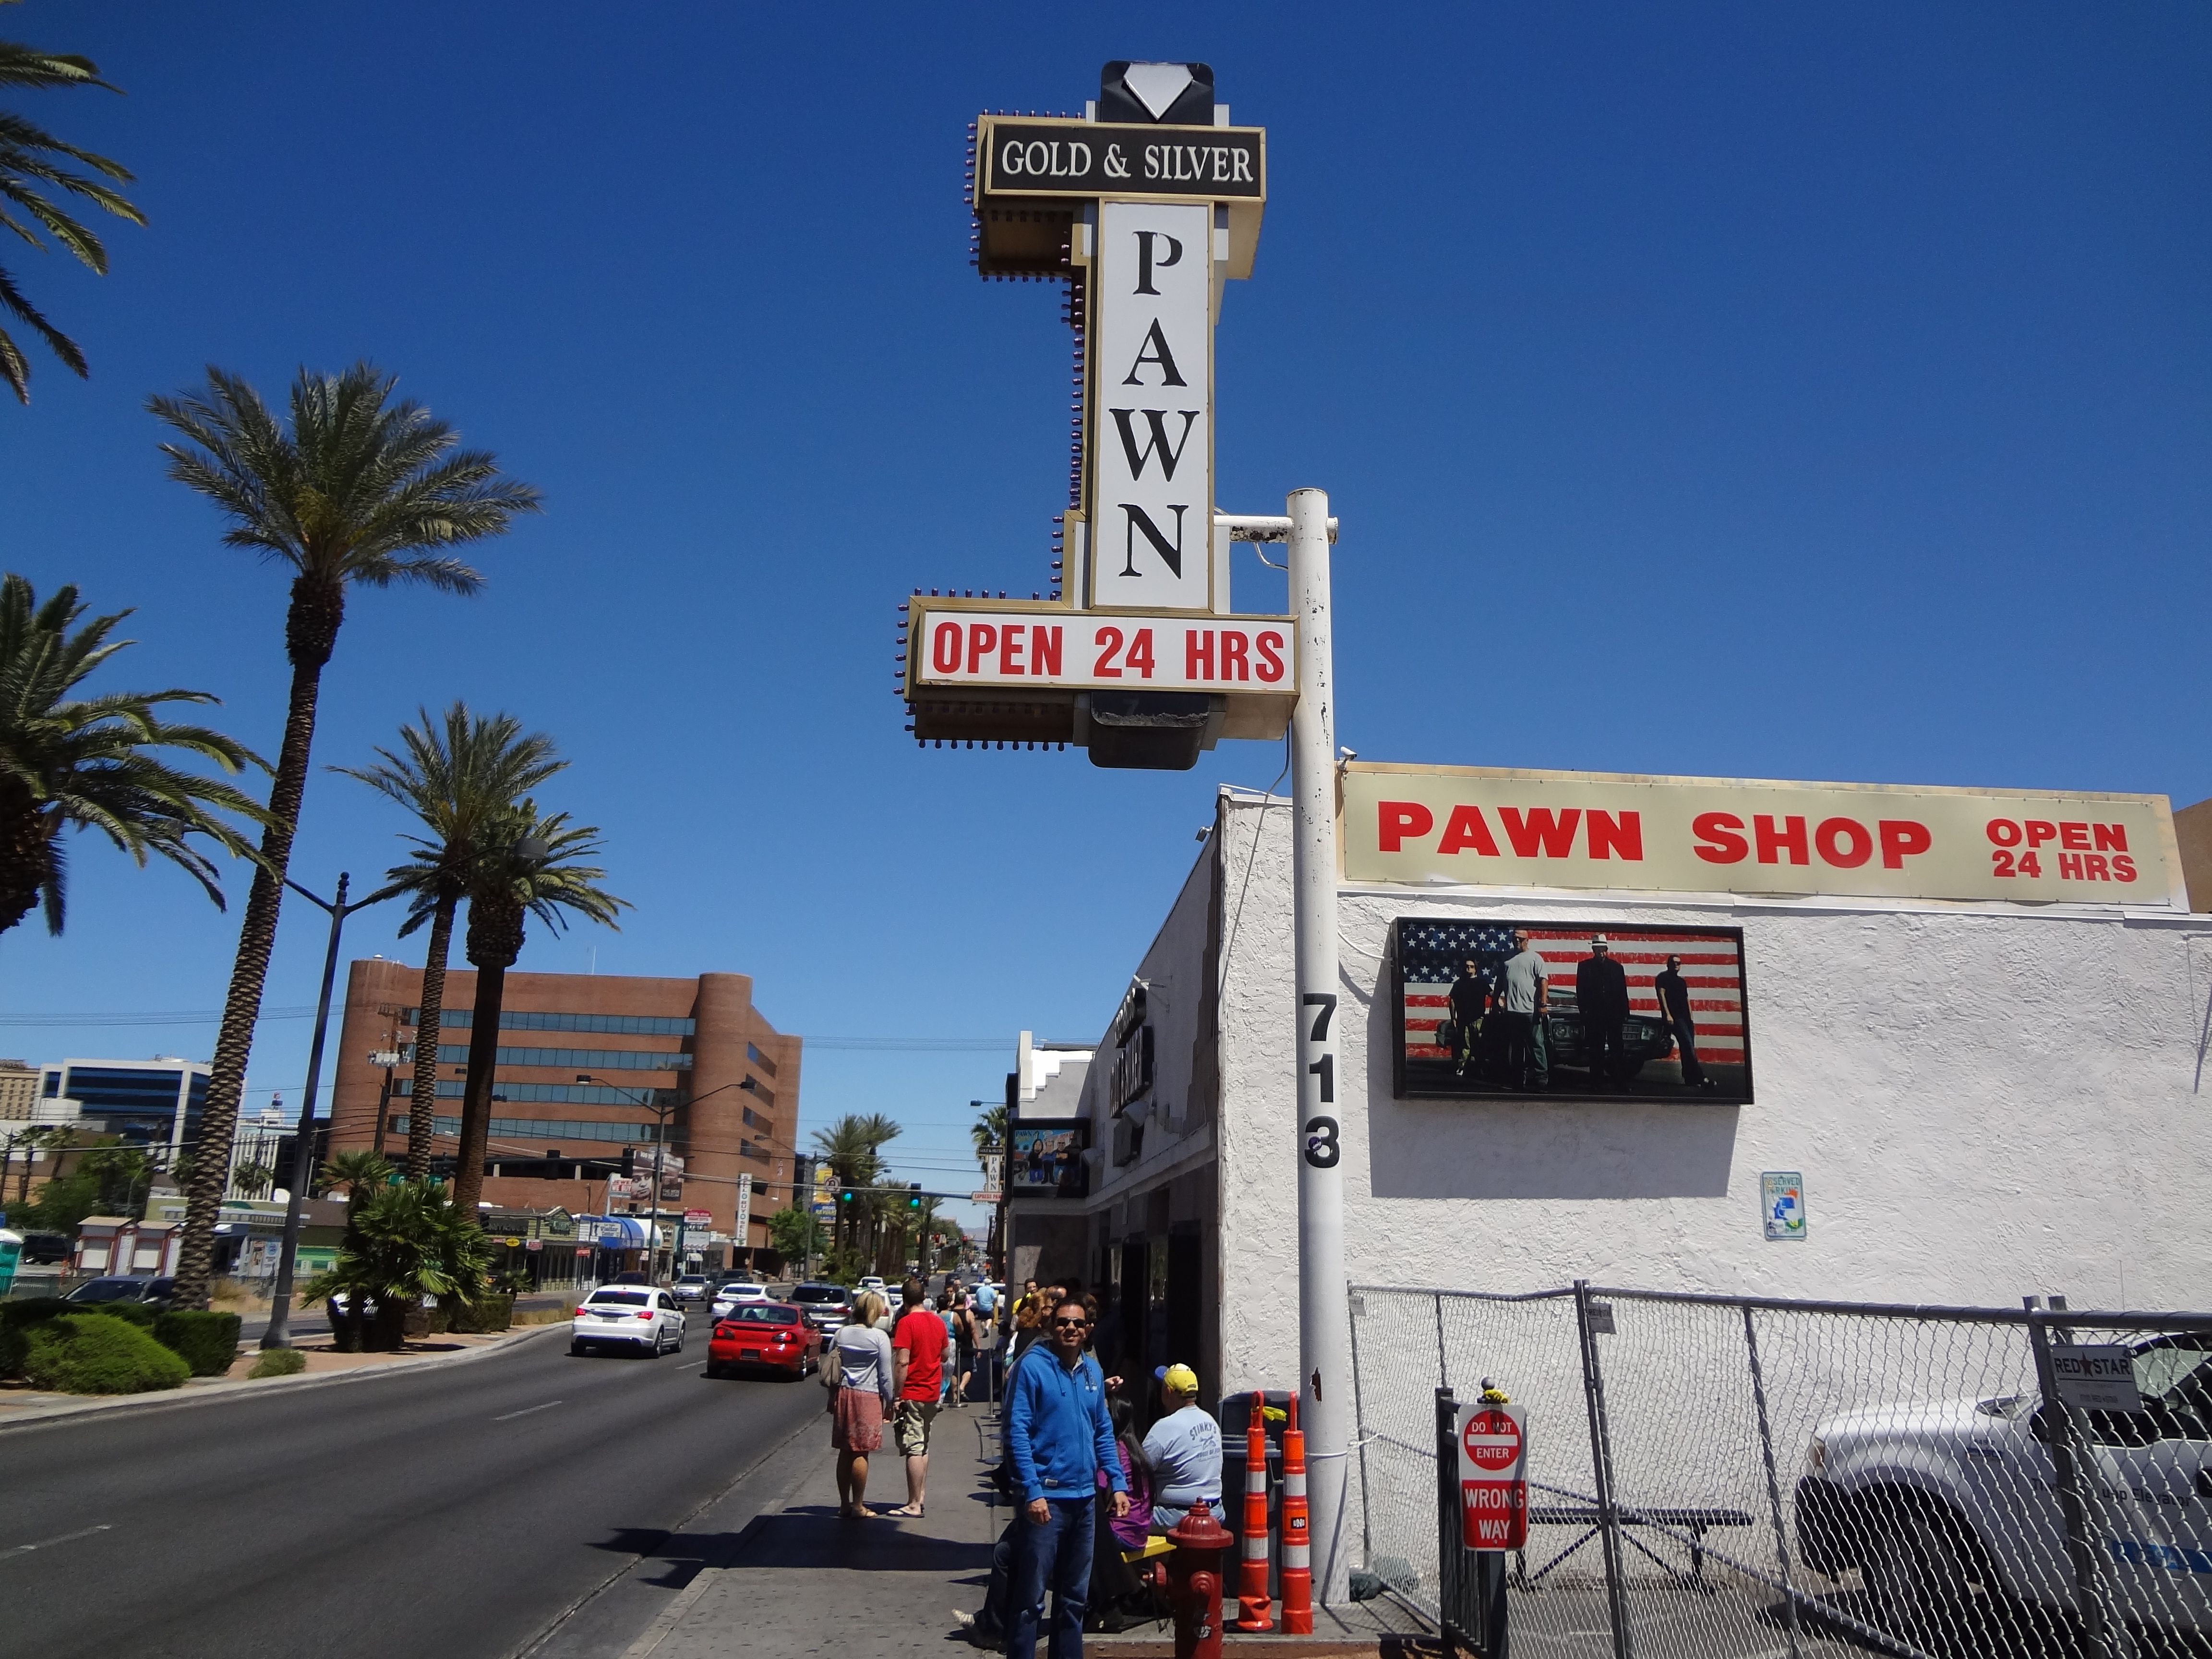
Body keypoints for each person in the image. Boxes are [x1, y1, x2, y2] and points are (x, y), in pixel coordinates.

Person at [1004, 1296, 1129, 1659]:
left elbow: (1103, 1432)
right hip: (1046, 1501)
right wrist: (1032, 1491)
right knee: (1030, 1600)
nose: (1070, 1328)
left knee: (1074, 1600)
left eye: (1077, 1323)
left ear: (1087, 1329)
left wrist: (1117, 1483)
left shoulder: (1093, 1372)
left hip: (1086, 1501)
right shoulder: (1033, 1367)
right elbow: (1017, 1432)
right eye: (1062, 1322)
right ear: (1050, 1326)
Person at [828, 1289, 895, 1519]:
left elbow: (832, 1365)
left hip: (845, 1394)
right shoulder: (879, 1338)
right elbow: (885, 1375)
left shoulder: (841, 1334)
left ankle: (844, 1504)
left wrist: (832, 1396)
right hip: (868, 1396)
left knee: (845, 1451)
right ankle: (858, 1505)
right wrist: (890, 1401)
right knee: (861, 1452)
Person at [1140, 1362, 1222, 1532]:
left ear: (1168, 1392)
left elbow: (1139, 1471)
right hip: (1215, 1512)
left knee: (1116, 1519)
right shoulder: (1211, 1421)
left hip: (1176, 1516)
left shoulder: (1164, 1428)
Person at [890, 1274, 946, 1517]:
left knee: (913, 1446)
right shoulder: (937, 1322)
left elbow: (903, 1361)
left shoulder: (906, 1323)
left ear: (904, 1301)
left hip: (913, 1391)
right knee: (923, 1444)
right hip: (932, 1391)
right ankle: (920, 1496)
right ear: (924, 1297)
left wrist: (896, 1394)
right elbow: (945, 1354)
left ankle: (913, 1504)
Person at [1497, 929, 1551, 1090]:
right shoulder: (1506, 959)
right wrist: (1495, 1002)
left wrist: (1542, 1004)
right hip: (1513, 1011)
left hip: (1530, 1011)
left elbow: (1543, 981)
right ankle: (1518, 1080)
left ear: (1528, 940)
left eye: (1521, 939)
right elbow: (1500, 982)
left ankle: (1542, 1078)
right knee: (1516, 1047)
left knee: (1537, 1045)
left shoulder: (1535, 958)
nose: (1517, 942)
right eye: (1515, 939)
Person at [1654, 952, 1716, 1091]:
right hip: (1675, 1018)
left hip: (1687, 1018)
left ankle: (1689, 1078)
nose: (1677, 965)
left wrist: (1692, 1016)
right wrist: (1668, 1015)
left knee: (1688, 1048)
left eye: (1679, 963)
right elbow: (1661, 996)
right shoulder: (1662, 978)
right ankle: (1701, 1078)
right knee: (1688, 1047)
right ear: (1668, 964)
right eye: (1674, 962)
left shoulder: (1682, 982)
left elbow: (1686, 999)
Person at [1575, 934, 1630, 1087]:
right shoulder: (1585, 967)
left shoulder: (1617, 968)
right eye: (1598, 949)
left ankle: (1620, 1081)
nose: (1601, 953)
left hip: (1614, 1015)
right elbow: (1581, 991)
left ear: (1607, 949)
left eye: (1603, 949)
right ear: (1594, 949)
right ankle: (1596, 1081)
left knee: (1617, 1049)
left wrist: (1625, 1013)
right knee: (1596, 1049)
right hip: (1594, 1015)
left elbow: (1622, 991)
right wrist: (1584, 1012)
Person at [1445, 956, 1490, 1077]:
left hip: (1478, 1019)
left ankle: (1481, 1069)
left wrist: (1501, 1003)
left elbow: (1492, 995)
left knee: (1479, 1044)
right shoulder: (1459, 984)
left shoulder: (1482, 983)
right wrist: (1453, 1018)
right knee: (1465, 1045)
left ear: (1476, 969)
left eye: (1471, 967)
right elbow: (1453, 1001)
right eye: (1467, 967)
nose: (1469, 969)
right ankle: (1462, 1067)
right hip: (1463, 1019)